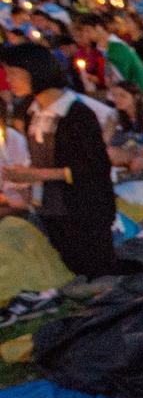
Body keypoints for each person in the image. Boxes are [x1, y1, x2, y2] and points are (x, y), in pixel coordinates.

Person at [1, 42, 116, 276]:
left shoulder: (76, 112)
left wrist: (36, 174)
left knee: (94, 270)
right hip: (50, 207)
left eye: (13, 73)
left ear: (34, 70)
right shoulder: (32, 111)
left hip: (83, 208)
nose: (9, 80)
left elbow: (94, 167)